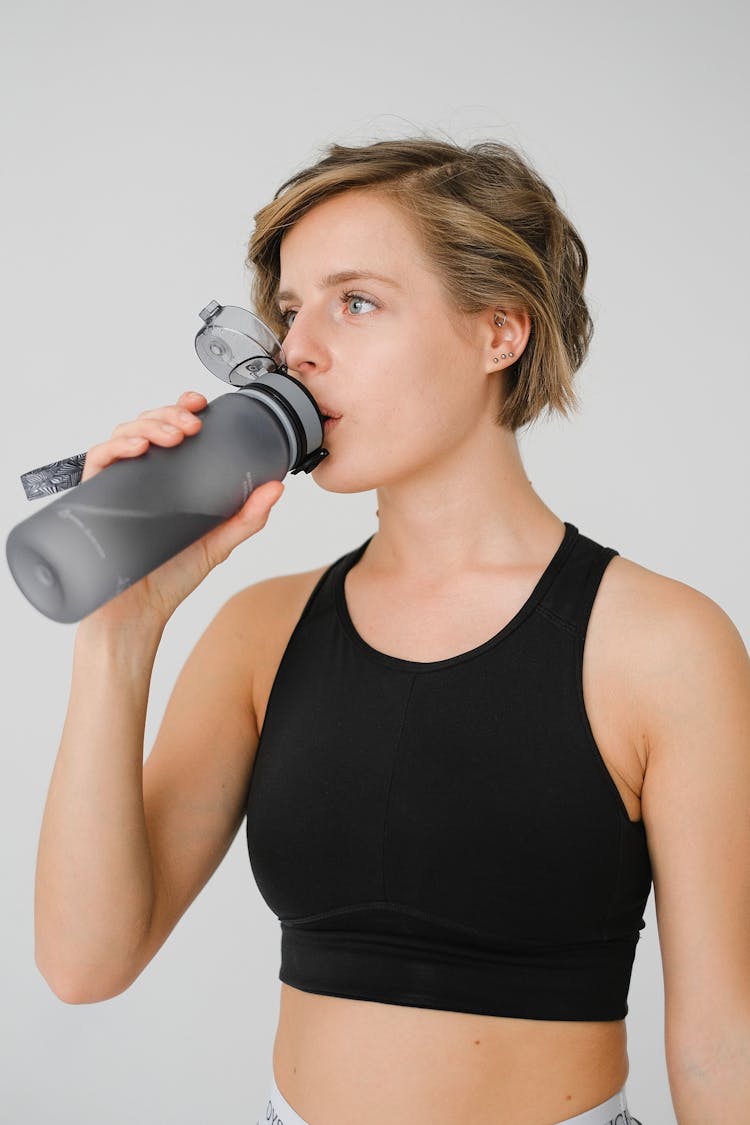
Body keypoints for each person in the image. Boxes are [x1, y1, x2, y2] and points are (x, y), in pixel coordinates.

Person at [34, 138, 750, 1125]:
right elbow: (85, 963)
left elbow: (723, 1041)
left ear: (500, 331)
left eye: (356, 301)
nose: (300, 350)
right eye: (290, 311)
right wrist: (120, 630)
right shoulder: (261, 633)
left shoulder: (664, 645)